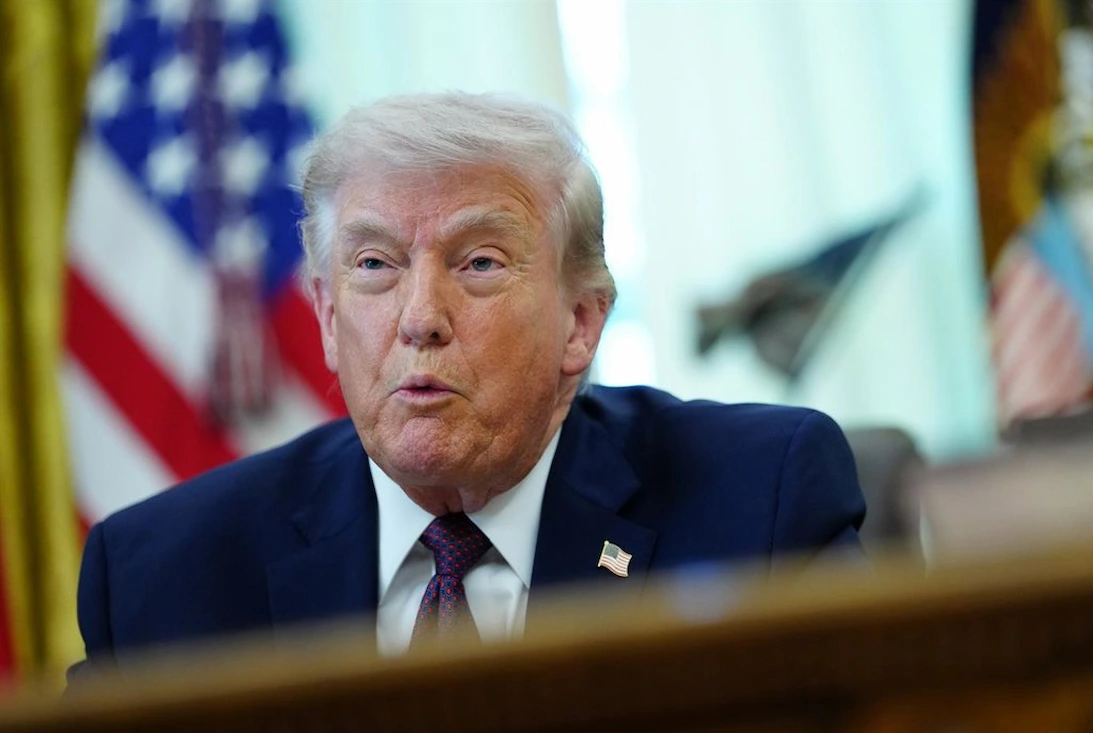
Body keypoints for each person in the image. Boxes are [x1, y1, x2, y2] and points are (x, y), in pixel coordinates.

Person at [72, 93, 865, 675]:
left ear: (581, 322)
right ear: (324, 317)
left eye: (479, 262)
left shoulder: (762, 504)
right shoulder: (160, 579)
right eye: (375, 264)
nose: (420, 318)